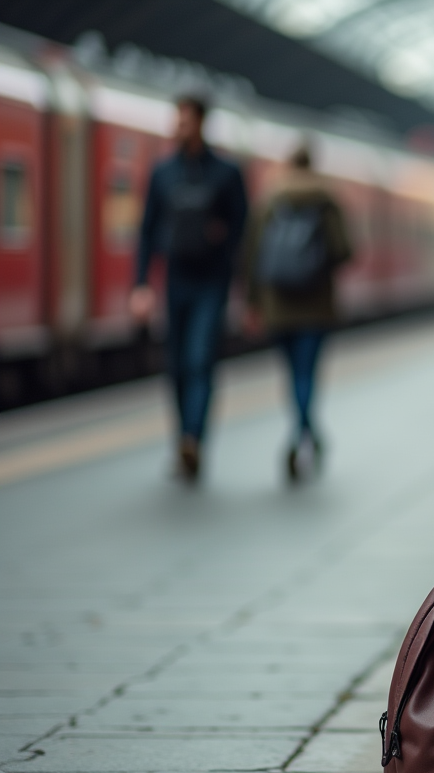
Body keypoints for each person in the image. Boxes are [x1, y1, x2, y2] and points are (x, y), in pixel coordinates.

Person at [130, 94, 248, 482]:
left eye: (184, 120)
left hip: (212, 282)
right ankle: (183, 438)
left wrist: (241, 280)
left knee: (200, 361)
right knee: (176, 366)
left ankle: (194, 440)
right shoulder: (162, 173)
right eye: (176, 120)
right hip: (176, 281)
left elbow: (242, 230)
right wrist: (142, 284)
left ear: (200, 123)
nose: (177, 127)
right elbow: (147, 231)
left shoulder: (227, 174)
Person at [242, 145, 352, 482]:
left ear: (288, 165)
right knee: (307, 374)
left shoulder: (270, 199)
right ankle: (302, 436)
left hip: (279, 306)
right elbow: (343, 251)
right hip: (315, 306)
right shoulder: (327, 200)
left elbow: (252, 255)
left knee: (292, 376)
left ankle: (304, 433)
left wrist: (253, 302)